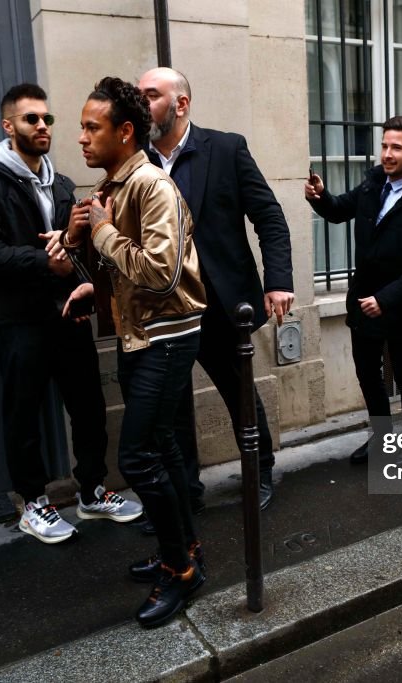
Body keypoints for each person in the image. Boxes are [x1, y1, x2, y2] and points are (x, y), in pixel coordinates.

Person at [0, 83, 141, 545]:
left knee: (88, 404)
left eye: (47, 119)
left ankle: (93, 491)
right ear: (8, 126)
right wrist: (44, 261)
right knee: (24, 412)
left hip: (65, 314)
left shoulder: (59, 183)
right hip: (16, 318)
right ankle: (33, 503)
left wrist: (76, 239)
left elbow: (71, 247)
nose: (43, 127)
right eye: (31, 119)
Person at [61, 76, 207, 628]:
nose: (81, 138)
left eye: (91, 127)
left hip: (165, 337)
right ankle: (185, 552)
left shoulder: (150, 184)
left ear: (125, 132)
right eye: (81, 127)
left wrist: (99, 233)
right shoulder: (116, 188)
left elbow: (163, 273)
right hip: (139, 334)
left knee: (138, 459)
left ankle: (180, 571)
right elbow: (127, 273)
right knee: (164, 448)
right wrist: (88, 276)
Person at [137, 67, 294, 511]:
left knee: (239, 393)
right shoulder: (136, 161)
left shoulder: (225, 149)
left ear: (180, 104)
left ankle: (259, 472)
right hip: (164, 307)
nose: (141, 103)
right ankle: (184, 492)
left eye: (150, 95)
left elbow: (269, 217)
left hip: (221, 303)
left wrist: (278, 281)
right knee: (168, 406)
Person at [305, 116, 402, 463]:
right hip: (363, 300)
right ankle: (382, 440)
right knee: (368, 374)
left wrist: (385, 300)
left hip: (400, 305)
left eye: (395, 147)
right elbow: (339, 211)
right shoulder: (372, 186)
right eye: (384, 146)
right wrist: (321, 197)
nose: (386, 154)